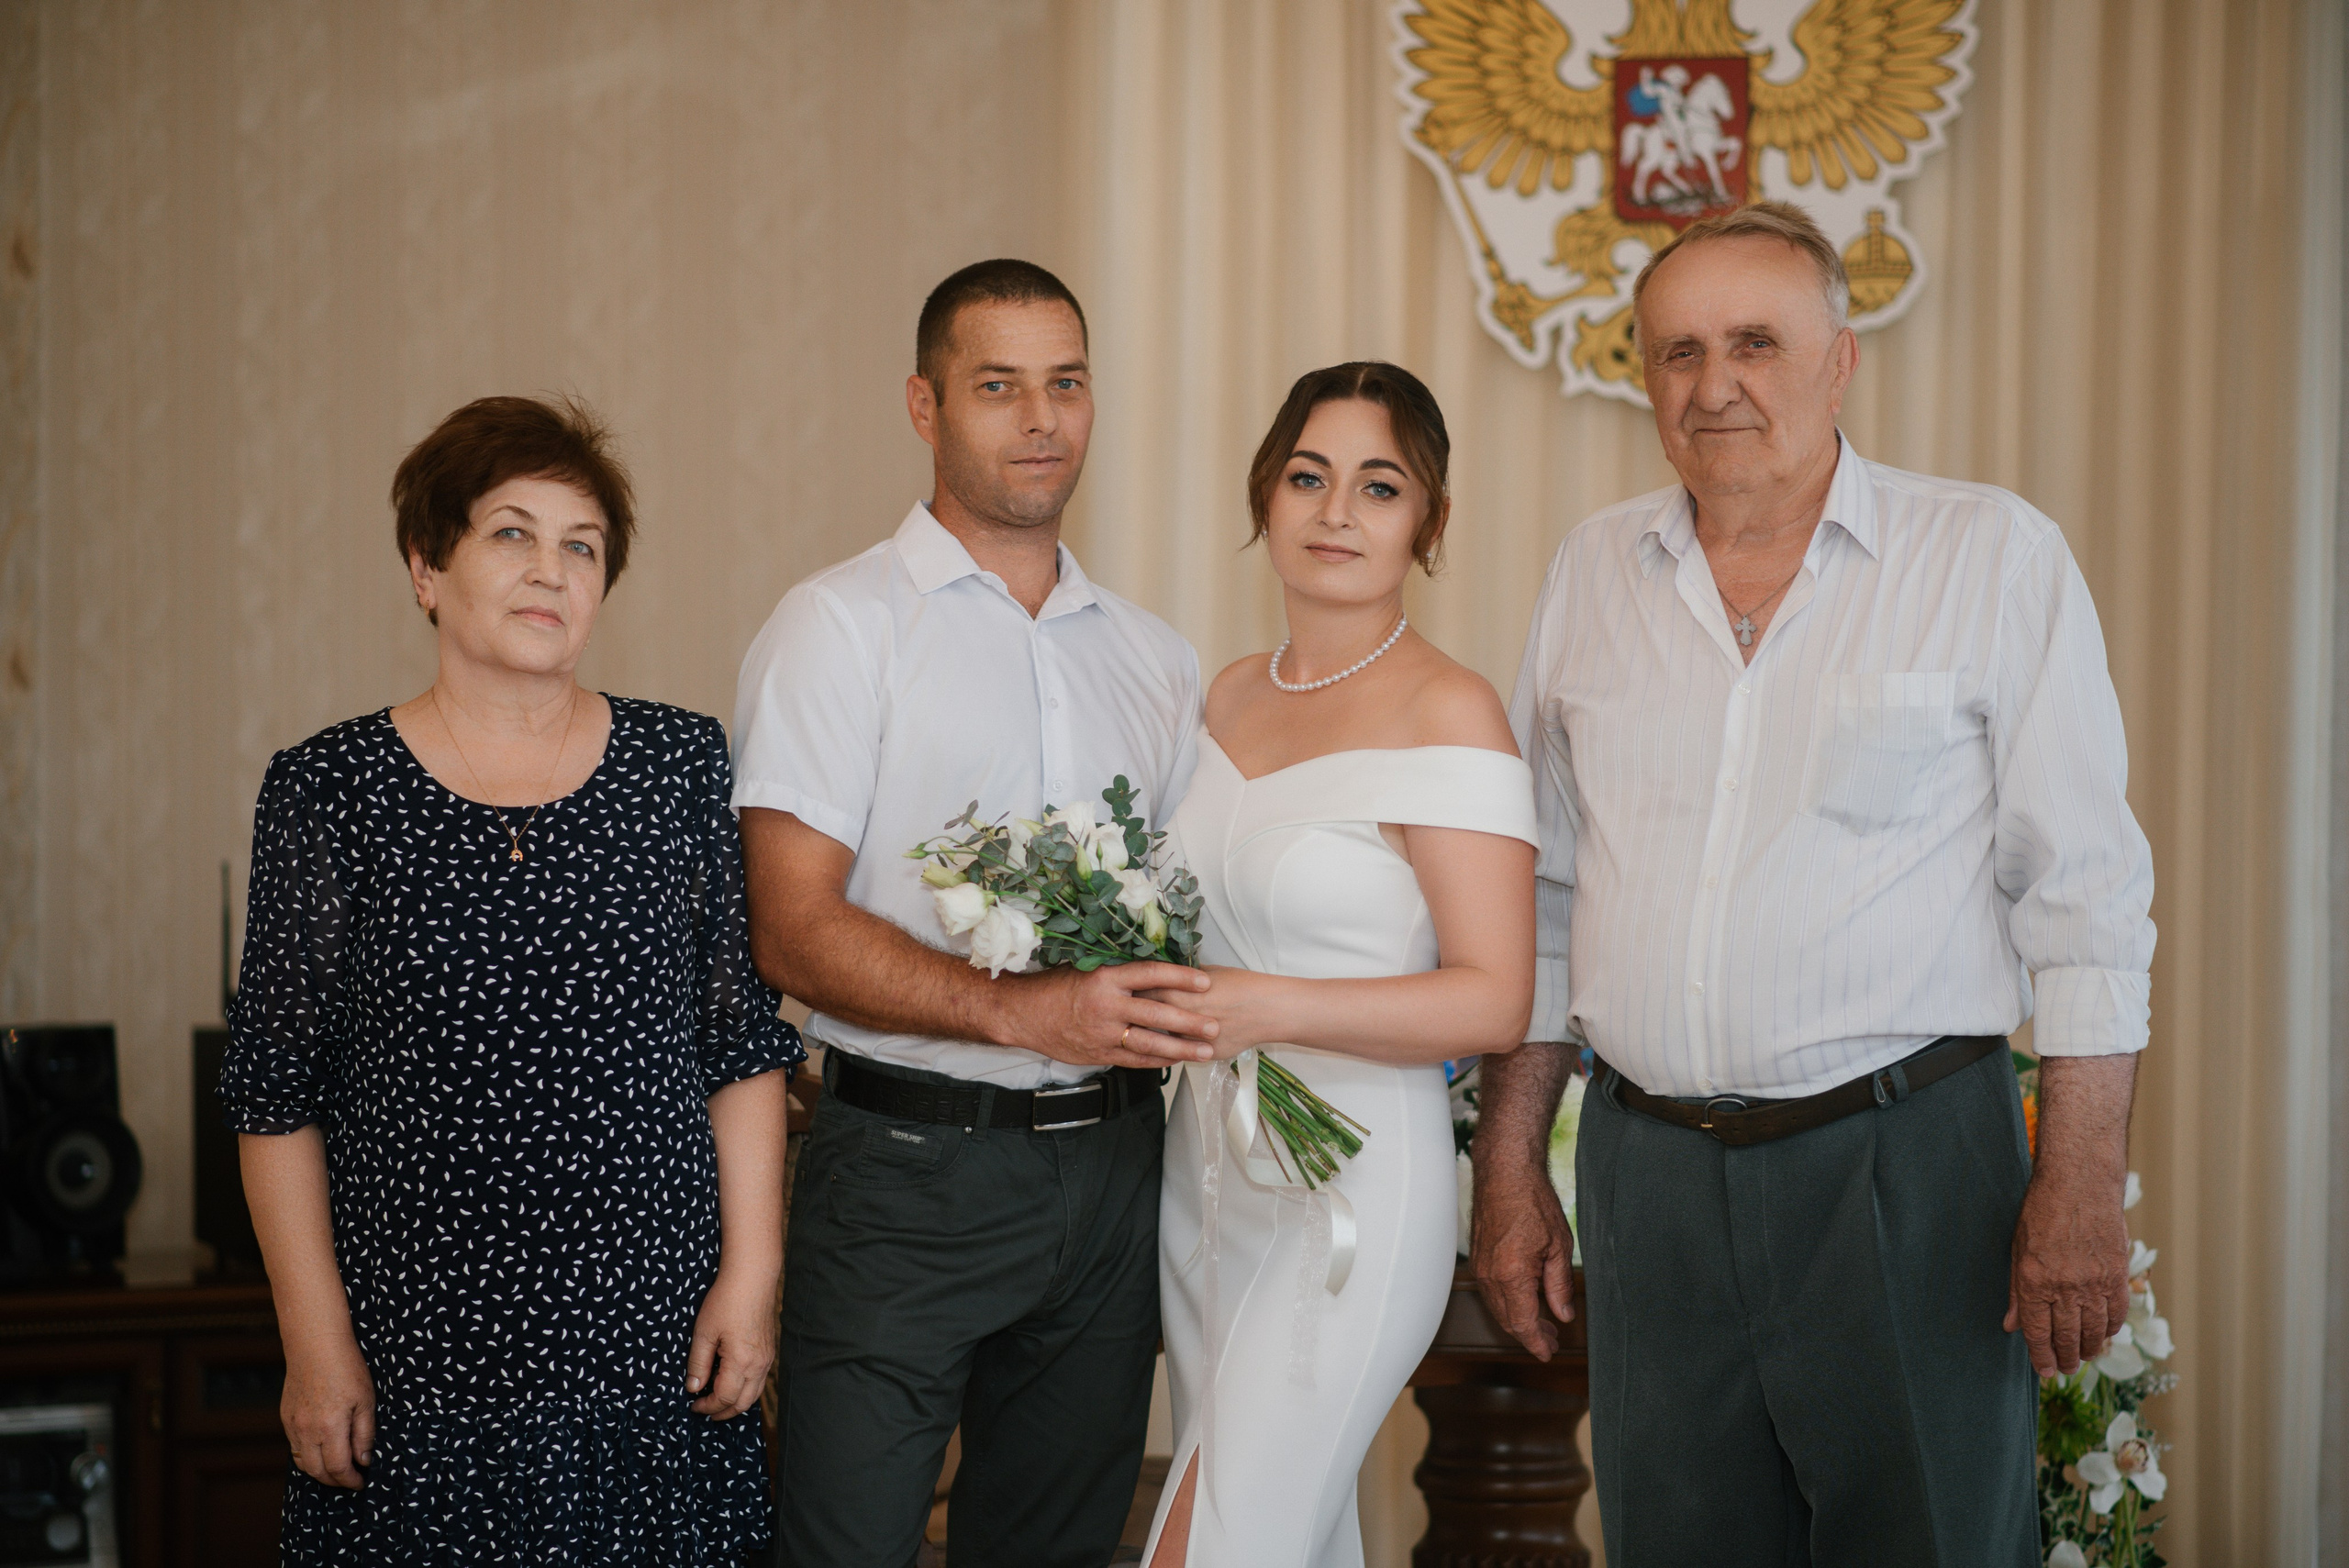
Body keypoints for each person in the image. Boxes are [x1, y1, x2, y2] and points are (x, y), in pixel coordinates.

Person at [1475, 201, 2156, 1565]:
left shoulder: (1989, 555)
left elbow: (2081, 894)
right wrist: (1508, 1159)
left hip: (1907, 1168)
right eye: (1675, 351)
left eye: (1754, 343)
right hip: (1648, 1173)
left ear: (1839, 359)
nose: (1713, 383)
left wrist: (2077, 1181)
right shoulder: (1590, 573)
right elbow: (1546, 897)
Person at [222, 395, 802, 1566]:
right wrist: (313, 1338)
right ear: (427, 565)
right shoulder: (328, 790)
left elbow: (737, 1045)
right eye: (511, 533)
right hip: (419, 1358)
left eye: (580, 544)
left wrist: (752, 1276)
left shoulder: (678, 762)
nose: (551, 570)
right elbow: (274, 1091)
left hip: (649, 1351)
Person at [732, 258, 1217, 1568]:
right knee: (849, 1549)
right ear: (923, 403)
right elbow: (788, 928)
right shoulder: (837, 629)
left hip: (1119, 1173)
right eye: (997, 386)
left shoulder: (1156, 658)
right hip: (904, 1169)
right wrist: (1026, 1009)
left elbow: (1190, 917)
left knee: (1056, 1551)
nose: (1040, 418)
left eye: (1065, 383)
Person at [1141, 362, 1539, 1568]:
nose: (1335, 513)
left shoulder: (1450, 712)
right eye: (1308, 477)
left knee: (1212, 1546)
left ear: (1429, 523)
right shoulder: (1220, 698)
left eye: (1379, 486)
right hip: (1209, 1180)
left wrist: (1267, 1004)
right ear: (1265, 493)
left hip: (1352, 1193)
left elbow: (1496, 991)